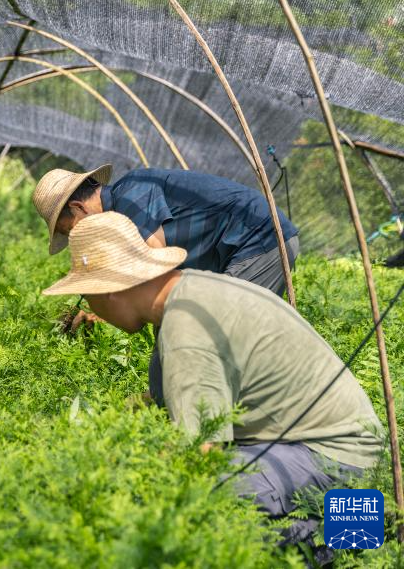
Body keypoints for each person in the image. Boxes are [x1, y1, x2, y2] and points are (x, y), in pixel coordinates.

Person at [42, 211, 382, 552]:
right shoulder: (193, 290)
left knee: (202, 497)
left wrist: (127, 483)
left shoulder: (186, 331)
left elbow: (198, 457)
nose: (92, 308)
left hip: (337, 461)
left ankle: (344, 541)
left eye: (88, 295)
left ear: (110, 291)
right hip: (328, 443)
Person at [33, 165, 300, 296]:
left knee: (224, 328)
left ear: (79, 207)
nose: (79, 237)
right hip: (244, 248)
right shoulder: (124, 207)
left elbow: (156, 266)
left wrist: (107, 303)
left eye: (72, 230)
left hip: (260, 240)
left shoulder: (131, 194)